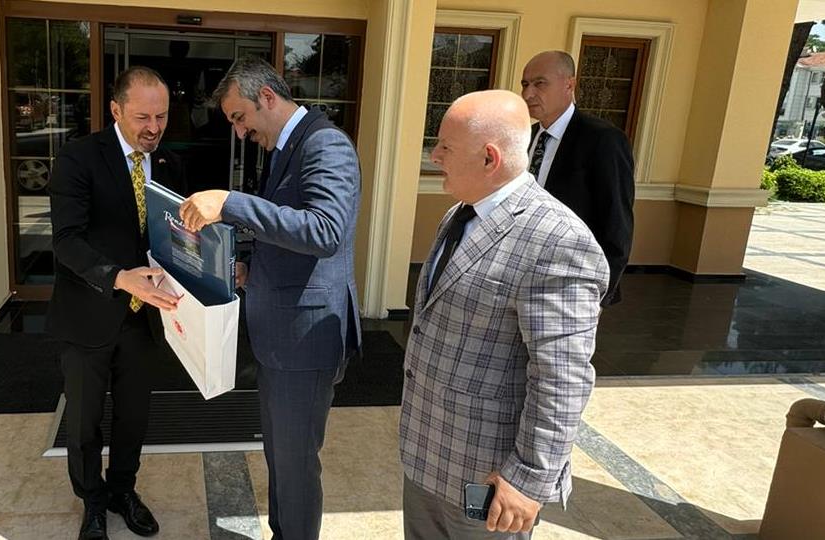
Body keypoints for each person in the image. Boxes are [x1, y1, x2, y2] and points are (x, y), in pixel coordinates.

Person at [399, 90, 609, 539]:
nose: (435, 156)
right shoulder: (459, 215)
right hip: (428, 456)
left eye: (446, 147)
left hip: (491, 482)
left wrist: (529, 477)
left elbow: (561, 377)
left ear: (489, 158)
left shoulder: (557, 240)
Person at [179, 57, 361, 540]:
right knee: (281, 456)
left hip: (305, 340)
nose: (240, 132)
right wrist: (252, 269)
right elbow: (288, 235)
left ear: (266, 97)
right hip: (282, 336)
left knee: (295, 464)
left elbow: (325, 231)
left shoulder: (325, 144)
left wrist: (230, 203)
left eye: (240, 118)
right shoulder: (288, 147)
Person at [48, 66, 184, 540]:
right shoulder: (79, 158)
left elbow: (173, 236)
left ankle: (123, 490)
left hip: (145, 319)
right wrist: (119, 278)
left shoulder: (168, 163)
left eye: (161, 116)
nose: (153, 127)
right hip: (88, 314)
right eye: (143, 117)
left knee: (134, 416)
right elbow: (66, 240)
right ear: (115, 110)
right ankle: (92, 501)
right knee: (84, 421)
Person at [521, 50, 634, 305]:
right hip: (520, 274)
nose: (528, 94)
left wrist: (600, 296)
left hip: (571, 283)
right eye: (525, 84)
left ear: (569, 85)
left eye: (539, 83)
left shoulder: (603, 140)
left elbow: (616, 223)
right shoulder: (525, 136)